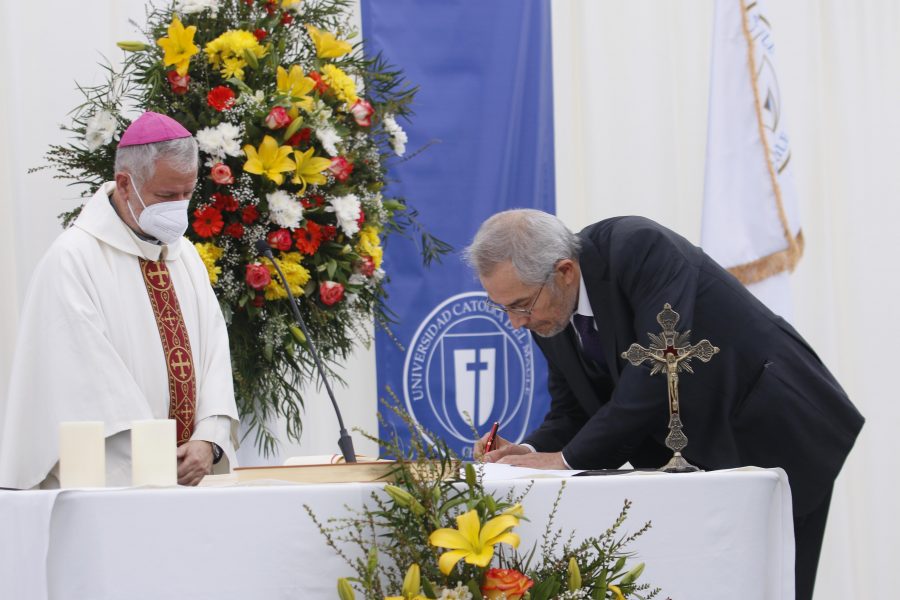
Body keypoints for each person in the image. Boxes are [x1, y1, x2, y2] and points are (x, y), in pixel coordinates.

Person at [465, 209, 863, 600]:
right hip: (694, 465)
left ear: (564, 272)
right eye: (504, 309)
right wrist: (530, 452)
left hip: (775, 431)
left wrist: (566, 460)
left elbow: (654, 373)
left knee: (772, 588)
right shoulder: (547, 308)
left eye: (520, 305)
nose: (516, 322)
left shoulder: (638, 248)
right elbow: (573, 411)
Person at [0, 112, 239, 489]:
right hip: (115, 483)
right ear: (126, 185)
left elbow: (214, 355)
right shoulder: (74, 259)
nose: (179, 207)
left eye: (187, 194)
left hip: (193, 478)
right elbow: (87, 382)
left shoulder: (186, 257)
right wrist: (153, 454)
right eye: (166, 195)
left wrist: (208, 439)